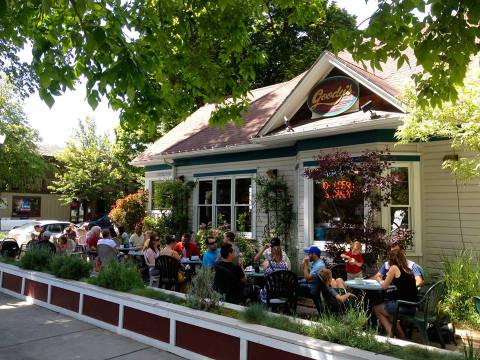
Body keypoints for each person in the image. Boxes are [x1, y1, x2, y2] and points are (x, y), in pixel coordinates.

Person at [373, 249, 418, 338]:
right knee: (390, 311)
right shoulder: (408, 269)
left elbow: (384, 286)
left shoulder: (394, 268)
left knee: (377, 309)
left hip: (402, 306)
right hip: (413, 306)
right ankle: (402, 335)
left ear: (391, 259)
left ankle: (390, 334)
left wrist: (379, 279)